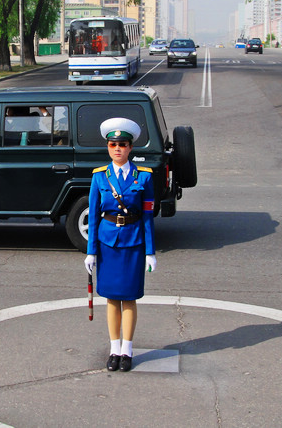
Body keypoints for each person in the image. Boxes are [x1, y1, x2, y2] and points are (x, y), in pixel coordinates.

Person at [84, 117, 156, 373]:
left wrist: (150, 251)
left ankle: (127, 348)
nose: (118, 149)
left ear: (130, 148)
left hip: (134, 243)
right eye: (113, 144)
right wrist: (91, 251)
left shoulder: (144, 177)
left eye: (123, 144)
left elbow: (147, 216)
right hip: (108, 244)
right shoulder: (99, 177)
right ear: (108, 147)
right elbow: (93, 217)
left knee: (130, 298)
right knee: (112, 299)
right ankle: (114, 347)